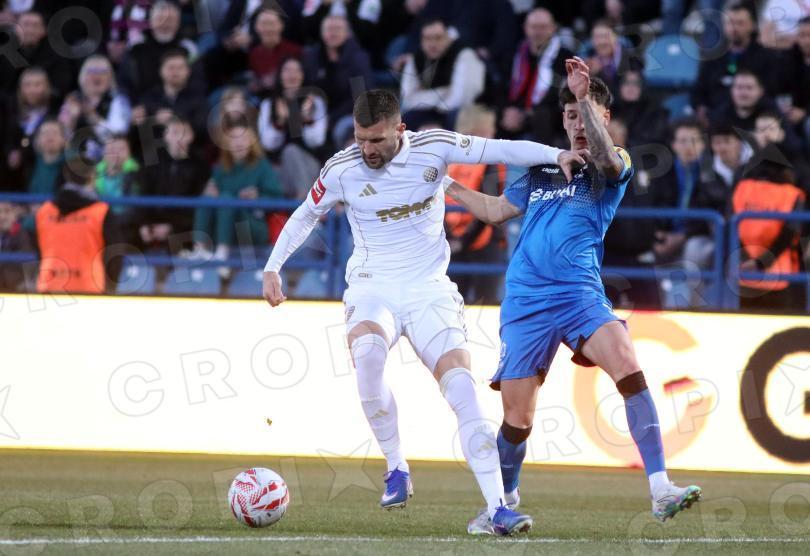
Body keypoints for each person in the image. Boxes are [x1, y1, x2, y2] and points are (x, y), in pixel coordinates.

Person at [262, 89, 584, 536]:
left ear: (400, 129)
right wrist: (273, 266)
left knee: (463, 391)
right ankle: (396, 467)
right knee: (368, 359)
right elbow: (304, 215)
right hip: (372, 287)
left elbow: (501, 149)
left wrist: (556, 154)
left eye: (376, 139)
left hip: (429, 290)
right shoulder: (341, 169)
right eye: (360, 139)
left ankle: (497, 510)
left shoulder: (435, 146)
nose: (367, 149)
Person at [444, 58, 702, 528]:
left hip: (578, 293)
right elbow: (497, 210)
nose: (578, 124)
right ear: (562, 121)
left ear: (604, 117)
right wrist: (446, 184)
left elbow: (606, 157)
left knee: (625, 360)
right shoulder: (542, 168)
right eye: (570, 116)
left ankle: (660, 487)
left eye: (586, 115)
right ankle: (500, 502)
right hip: (526, 300)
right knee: (518, 419)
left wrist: (583, 97)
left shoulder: (613, 163)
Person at [444, 105, 506, 304]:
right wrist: (462, 242)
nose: (493, 132)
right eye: (491, 127)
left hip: (451, 241)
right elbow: (489, 207)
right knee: (485, 304)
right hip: (483, 244)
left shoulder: (448, 160)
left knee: (452, 305)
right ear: (479, 129)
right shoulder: (491, 161)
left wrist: (452, 240)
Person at [193, 124, 281, 265]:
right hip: (222, 226)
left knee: (226, 198)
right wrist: (209, 192)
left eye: (244, 139)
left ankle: (223, 251)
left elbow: (278, 199)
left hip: (251, 226)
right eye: (233, 139)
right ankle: (199, 248)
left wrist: (257, 198)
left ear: (252, 143)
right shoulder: (220, 167)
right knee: (207, 199)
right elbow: (212, 192)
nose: (238, 143)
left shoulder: (262, 166)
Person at [35, 157, 123, 294]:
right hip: (89, 288)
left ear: (66, 176)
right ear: (92, 177)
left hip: (49, 287)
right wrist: (111, 288)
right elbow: (115, 255)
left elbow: (39, 252)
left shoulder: (44, 211)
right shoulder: (101, 212)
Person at [258, 56, 328, 199]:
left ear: (303, 75)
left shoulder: (315, 102)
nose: (292, 75)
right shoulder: (268, 104)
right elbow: (268, 143)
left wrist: (306, 119)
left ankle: (303, 202)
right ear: (280, 75)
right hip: (280, 170)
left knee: (291, 151)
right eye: (287, 70)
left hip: (311, 168)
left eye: (297, 71)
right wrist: (280, 122)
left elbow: (317, 141)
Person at [399, 18, 485, 131]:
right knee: (405, 120)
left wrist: (423, 95)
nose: (432, 44)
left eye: (438, 38)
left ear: (449, 38)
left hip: (462, 112)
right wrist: (443, 92)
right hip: (429, 111)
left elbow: (460, 99)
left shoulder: (464, 54)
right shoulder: (416, 58)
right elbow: (408, 99)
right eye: (427, 38)